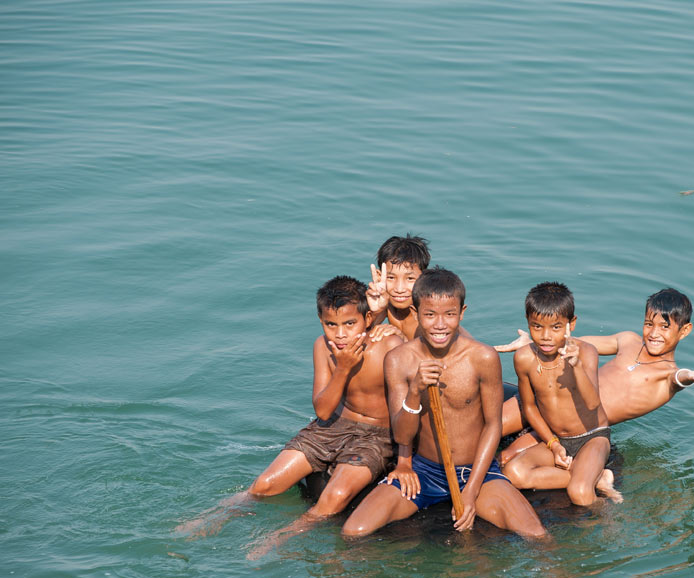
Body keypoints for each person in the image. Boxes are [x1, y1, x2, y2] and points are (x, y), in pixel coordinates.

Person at [176, 277, 404, 558]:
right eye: (330, 325)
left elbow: (411, 400)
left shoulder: (390, 344)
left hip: (375, 436)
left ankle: (279, 538)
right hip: (331, 426)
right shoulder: (323, 347)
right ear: (320, 321)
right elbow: (322, 410)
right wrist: (343, 369)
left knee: (334, 498)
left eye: (349, 324)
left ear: (367, 319)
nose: (340, 334)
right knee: (263, 485)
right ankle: (216, 517)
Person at [342, 268, 547, 539]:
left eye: (449, 314)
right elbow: (402, 434)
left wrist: (471, 492)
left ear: (462, 313)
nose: (440, 324)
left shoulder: (482, 358)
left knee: (536, 535)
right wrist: (414, 391)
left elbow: (493, 427)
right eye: (430, 315)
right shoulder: (398, 359)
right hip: (424, 471)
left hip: (478, 472)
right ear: (415, 314)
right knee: (353, 531)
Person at [496, 287, 694, 466]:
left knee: (506, 459)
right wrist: (534, 343)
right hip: (549, 397)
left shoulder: (666, 375)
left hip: (576, 427)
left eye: (665, 327)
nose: (654, 333)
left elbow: (680, 377)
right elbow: (575, 343)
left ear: (684, 331)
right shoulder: (628, 340)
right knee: (491, 426)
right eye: (649, 324)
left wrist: (693, 376)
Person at [502, 282, 621, 505]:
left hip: (592, 436)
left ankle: (587, 481)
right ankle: (594, 477)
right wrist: (553, 444)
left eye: (556, 328)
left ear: (571, 324)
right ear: (528, 323)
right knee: (513, 473)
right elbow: (529, 407)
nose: (546, 336)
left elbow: (593, 404)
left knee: (580, 495)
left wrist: (575, 366)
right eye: (537, 327)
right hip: (558, 439)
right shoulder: (524, 358)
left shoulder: (586, 352)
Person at [366, 234, 431, 340]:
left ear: (424, 277)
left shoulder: (429, 312)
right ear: (379, 276)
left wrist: (402, 338)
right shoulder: (385, 301)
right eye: (391, 277)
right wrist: (375, 312)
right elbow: (360, 334)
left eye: (410, 278)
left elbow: (434, 354)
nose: (399, 289)